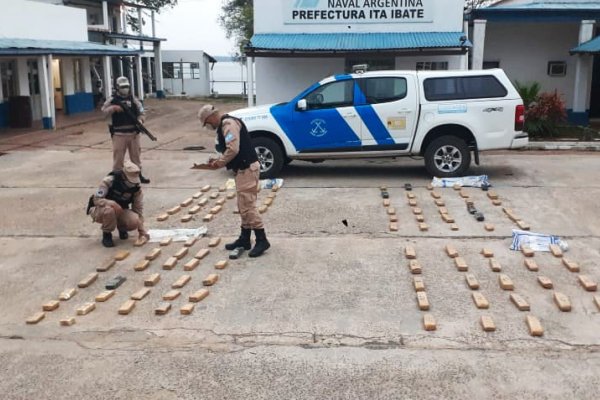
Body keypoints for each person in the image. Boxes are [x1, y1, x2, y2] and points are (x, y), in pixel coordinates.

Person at [197, 104, 270, 258]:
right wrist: (217, 160)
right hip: (242, 169)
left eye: (206, 123)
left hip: (247, 168)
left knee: (248, 206)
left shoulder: (228, 124)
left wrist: (219, 163)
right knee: (243, 205)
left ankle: (262, 240)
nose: (208, 126)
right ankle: (244, 239)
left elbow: (233, 149)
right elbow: (230, 150)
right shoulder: (225, 125)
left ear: (210, 118)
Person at [101, 76, 150, 184]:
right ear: (117, 87)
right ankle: (117, 177)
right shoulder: (112, 100)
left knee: (135, 156)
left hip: (133, 134)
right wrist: (113, 108)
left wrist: (141, 120)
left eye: (127, 86)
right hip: (119, 134)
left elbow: (142, 112)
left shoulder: (134, 99)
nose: (125, 89)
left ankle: (137, 175)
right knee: (118, 157)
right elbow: (103, 111)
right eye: (123, 87)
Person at [90, 161, 149, 248]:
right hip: (101, 210)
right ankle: (107, 234)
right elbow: (96, 199)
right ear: (124, 176)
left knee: (135, 220)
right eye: (130, 180)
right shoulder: (109, 181)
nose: (133, 183)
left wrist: (142, 232)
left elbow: (138, 210)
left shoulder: (136, 189)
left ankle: (122, 228)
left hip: (121, 211)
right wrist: (112, 203)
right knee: (109, 210)